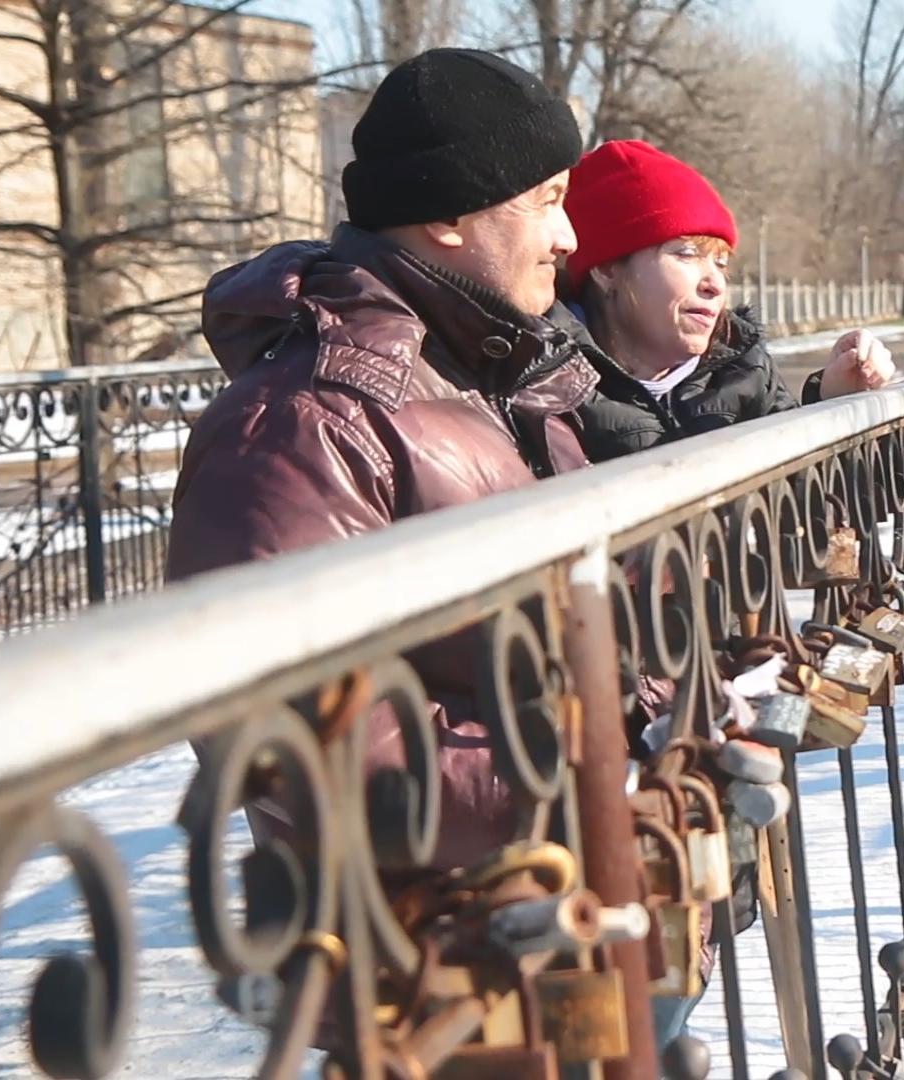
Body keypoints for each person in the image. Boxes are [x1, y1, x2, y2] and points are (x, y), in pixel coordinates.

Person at [166, 48, 592, 872]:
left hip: (557, 906)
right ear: (450, 215)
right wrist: (577, 775)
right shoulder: (303, 418)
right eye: (547, 201)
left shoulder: (497, 371)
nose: (567, 237)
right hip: (432, 938)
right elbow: (288, 733)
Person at [558, 139, 895, 463]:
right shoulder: (549, 392)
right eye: (687, 254)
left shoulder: (744, 368)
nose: (715, 284)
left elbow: (806, 493)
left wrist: (833, 401)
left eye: (720, 263)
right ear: (606, 269)